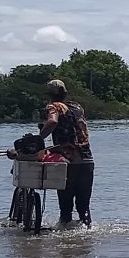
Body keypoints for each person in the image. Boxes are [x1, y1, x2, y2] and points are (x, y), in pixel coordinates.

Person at [38, 79, 94, 227]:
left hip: (68, 162)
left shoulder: (53, 107)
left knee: (66, 207)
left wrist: (39, 139)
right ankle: (85, 242)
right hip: (86, 160)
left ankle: (64, 242)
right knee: (84, 207)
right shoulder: (77, 107)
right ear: (66, 93)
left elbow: (52, 122)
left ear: (49, 95)